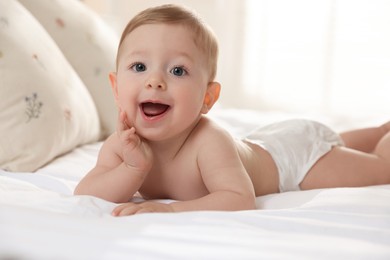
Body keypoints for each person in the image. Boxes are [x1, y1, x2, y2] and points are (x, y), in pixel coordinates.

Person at [74, 4, 390, 216]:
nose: (155, 81)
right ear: (116, 88)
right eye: (139, 66)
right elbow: (87, 192)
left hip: (293, 160)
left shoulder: (209, 140)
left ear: (208, 98)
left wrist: (170, 210)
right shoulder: (124, 144)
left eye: (178, 71)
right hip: (267, 140)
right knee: (343, 142)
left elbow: (240, 199)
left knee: (380, 166)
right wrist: (133, 169)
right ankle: (378, 131)